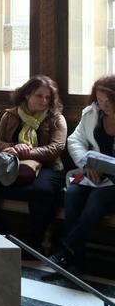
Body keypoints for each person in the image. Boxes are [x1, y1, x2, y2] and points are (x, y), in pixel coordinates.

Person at [0, 75, 66, 252]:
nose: (44, 101)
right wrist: (14, 148)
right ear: (27, 95)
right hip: (10, 162)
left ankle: (33, 244)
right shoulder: (11, 115)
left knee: (42, 191)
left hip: (47, 167)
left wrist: (28, 151)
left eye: (48, 97)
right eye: (39, 96)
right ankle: (0, 232)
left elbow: (55, 149)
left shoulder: (56, 119)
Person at [49, 75, 115, 270]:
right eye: (100, 100)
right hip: (93, 173)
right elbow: (75, 140)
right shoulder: (92, 114)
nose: (104, 105)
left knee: (96, 200)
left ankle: (66, 252)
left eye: (109, 101)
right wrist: (87, 164)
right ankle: (76, 257)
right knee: (72, 195)